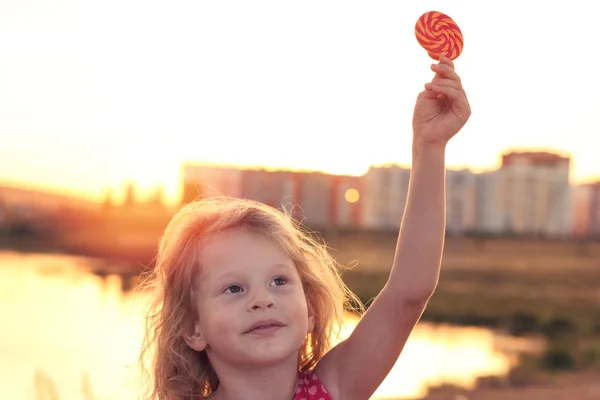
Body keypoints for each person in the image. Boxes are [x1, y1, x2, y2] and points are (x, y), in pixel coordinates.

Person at [138, 55, 471, 400]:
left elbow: (408, 292)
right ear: (193, 328)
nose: (263, 299)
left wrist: (429, 146)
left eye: (279, 281)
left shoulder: (334, 387)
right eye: (234, 288)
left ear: (310, 311)